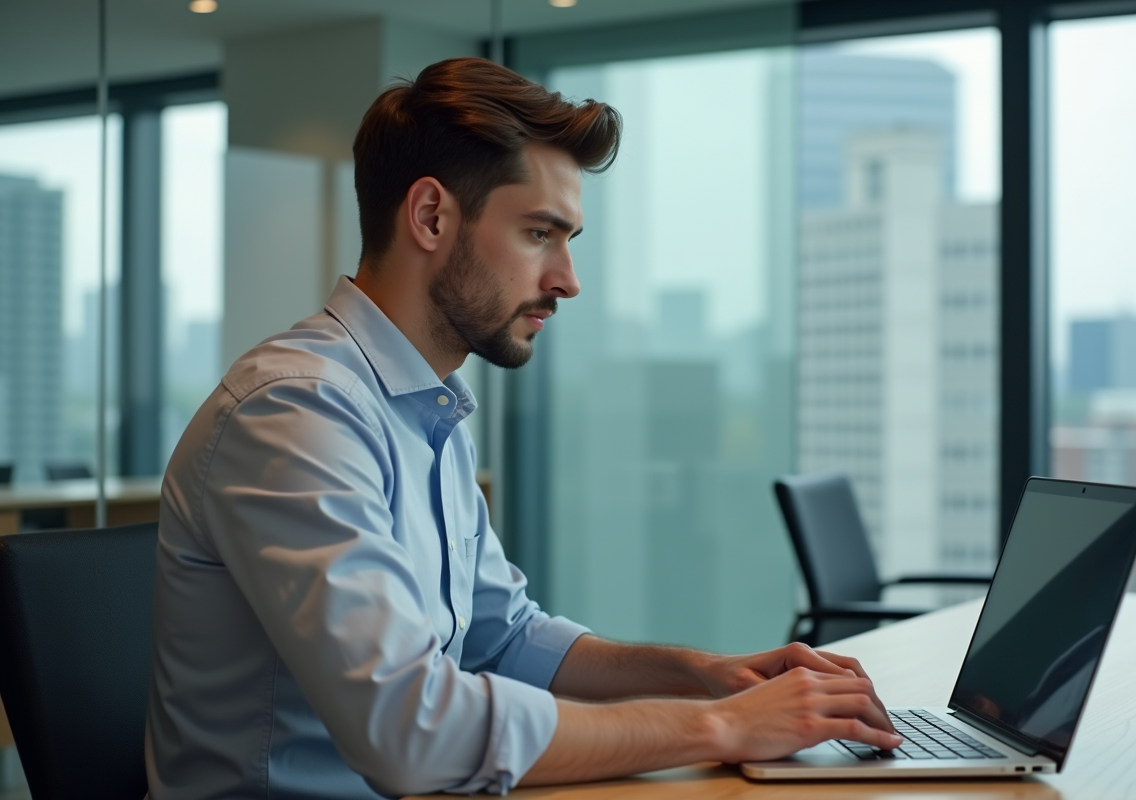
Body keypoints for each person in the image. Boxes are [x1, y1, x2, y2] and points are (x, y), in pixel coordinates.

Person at [145, 57, 902, 800]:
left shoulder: (424, 408)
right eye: (541, 233)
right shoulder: (297, 413)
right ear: (432, 216)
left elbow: (503, 639)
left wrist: (703, 673)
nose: (567, 279)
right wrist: (721, 727)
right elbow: (409, 732)